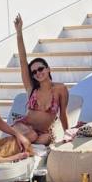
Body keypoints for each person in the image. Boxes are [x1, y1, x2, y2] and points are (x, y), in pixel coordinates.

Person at [13, 14, 71, 144]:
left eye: (40, 69)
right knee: (32, 135)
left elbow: (63, 115)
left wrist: (68, 135)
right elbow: (23, 61)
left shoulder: (60, 89)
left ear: (48, 69)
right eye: (34, 72)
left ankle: (22, 148)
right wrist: (19, 33)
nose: (38, 73)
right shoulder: (32, 88)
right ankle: (16, 147)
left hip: (43, 132)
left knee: (47, 138)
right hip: (24, 127)